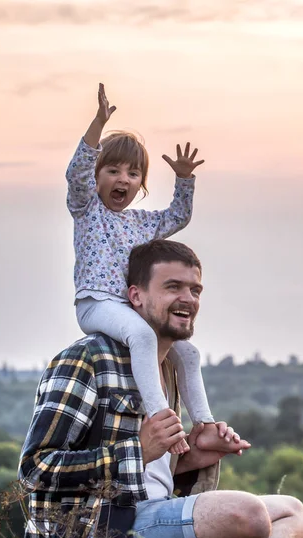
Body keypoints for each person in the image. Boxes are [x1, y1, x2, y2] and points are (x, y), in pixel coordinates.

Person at [19, 240, 303, 538]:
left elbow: (155, 475)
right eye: (172, 287)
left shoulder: (170, 366)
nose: (188, 299)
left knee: (291, 510)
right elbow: (35, 470)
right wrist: (138, 450)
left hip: (155, 518)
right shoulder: (88, 359)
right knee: (247, 515)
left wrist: (193, 456)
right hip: (102, 535)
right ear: (136, 296)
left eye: (195, 289)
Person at [67, 83, 219, 454]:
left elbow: (179, 215)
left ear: (141, 184)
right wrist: (98, 124)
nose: (123, 180)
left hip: (131, 307)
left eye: (133, 174)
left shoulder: (141, 223)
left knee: (189, 353)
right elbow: (76, 173)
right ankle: (161, 420)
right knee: (144, 337)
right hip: (97, 304)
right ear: (97, 177)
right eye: (113, 171)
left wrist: (185, 177)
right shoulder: (88, 210)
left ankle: (205, 425)